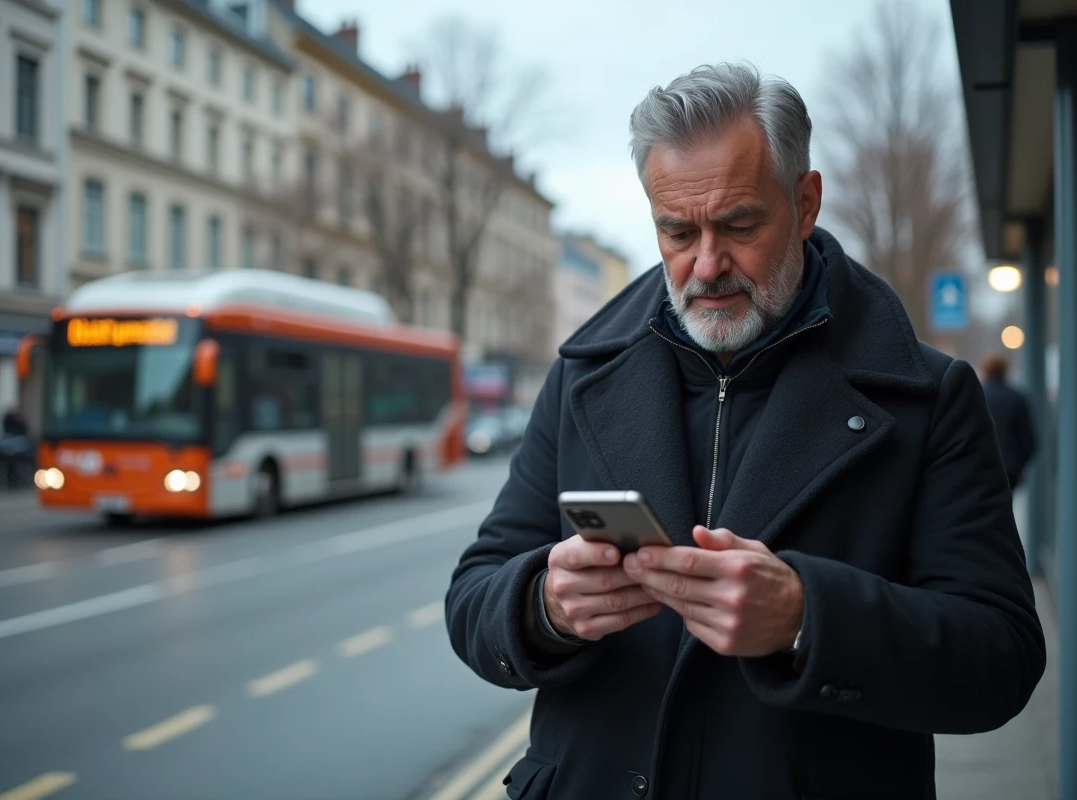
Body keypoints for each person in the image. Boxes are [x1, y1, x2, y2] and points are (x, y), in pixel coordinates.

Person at [445, 62, 1045, 800]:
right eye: (676, 231)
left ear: (805, 202)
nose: (707, 265)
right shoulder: (580, 376)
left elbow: (1001, 658)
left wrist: (805, 617)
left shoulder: (930, 397)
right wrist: (543, 606)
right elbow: (472, 597)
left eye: (738, 225)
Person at [980, 354, 1037, 489]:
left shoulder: (977, 396)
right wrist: (1019, 466)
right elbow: (1029, 441)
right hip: (1010, 470)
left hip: (981, 468)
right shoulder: (1017, 398)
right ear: (1005, 371)